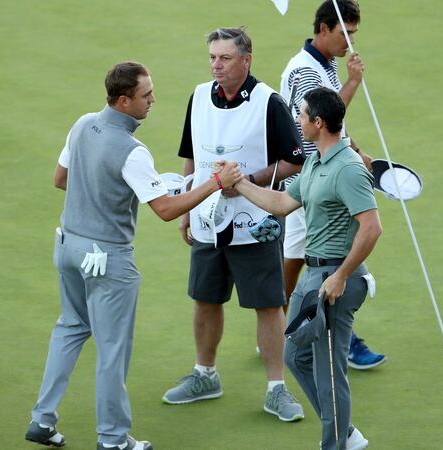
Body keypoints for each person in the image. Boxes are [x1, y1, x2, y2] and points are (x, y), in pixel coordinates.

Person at [25, 62, 243, 450]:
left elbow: (62, 179)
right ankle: (112, 439)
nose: (153, 100)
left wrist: (103, 191)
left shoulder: (82, 124)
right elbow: (165, 210)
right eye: (146, 95)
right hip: (108, 260)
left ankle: (42, 419)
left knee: (70, 328)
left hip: (68, 248)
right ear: (124, 100)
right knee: (112, 351)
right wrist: (215, 183)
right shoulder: (133, 151)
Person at [162, 27, 307, 422]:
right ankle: (204, 374)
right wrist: (187, 206)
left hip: (256, 221)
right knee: (205, 298)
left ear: (246, 60)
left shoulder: (268, 103)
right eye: (212, 57)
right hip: (208, 220)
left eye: (225, 58)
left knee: (268, 304)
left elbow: (295, 159)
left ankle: (277, 389)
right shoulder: (198, 97)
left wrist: (248, 181)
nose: (216, 65)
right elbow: (191, 155)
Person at [235, 87, 381, 450]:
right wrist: (238, 183)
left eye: (302, 115)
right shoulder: (316, 160)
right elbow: (283, 202)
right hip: (313, 277)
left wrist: (342, 275)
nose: (298, 120)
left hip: (335, 280)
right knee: (294, 355)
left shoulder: (347, 168)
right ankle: (344, 432)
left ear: (318, 122)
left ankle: (334, 442)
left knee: (330, 373)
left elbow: (372, 227)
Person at [279, 0, 385, 370]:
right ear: (323, 29)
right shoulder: (306, 71)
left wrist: (356, 151)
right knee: (321, 261)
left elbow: (332, 129)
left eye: (354, 34)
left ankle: (282, 326)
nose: (351, 43)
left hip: (321, 175)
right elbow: (319, 125)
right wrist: (354, 82)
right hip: (313, 182)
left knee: (297, 258)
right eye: (345, 33)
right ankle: (324, 334)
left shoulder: (325, 64)